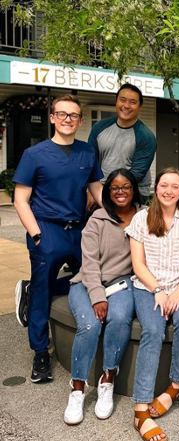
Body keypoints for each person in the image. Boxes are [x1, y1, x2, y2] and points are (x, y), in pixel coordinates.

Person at [13, 94, 103, 383]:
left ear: (80, 120)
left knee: (94, 279)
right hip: (47, 230)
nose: (67, 119)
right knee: (43, 293)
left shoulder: (87, 152)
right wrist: (36, 234)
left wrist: (120, 217)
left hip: (79, 230)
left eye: (73, 115)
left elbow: (97, 189)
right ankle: (40, 351)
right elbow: (20, 200)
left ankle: (31, 290)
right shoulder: (34, 155)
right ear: (52, 118)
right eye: (62, 114)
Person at [125, 167, 179, 441]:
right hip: (149, 286)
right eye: (164, 185)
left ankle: (175, 386)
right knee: (152, 330)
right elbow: (138, 265)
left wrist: (178, 292)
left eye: (174, 186)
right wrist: (158, 290)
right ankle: (140, 411)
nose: (168, 190)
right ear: (156, 188)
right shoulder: (141, 219)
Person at [64, 169, 142, 425]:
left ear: (134, 189)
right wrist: (97, 296)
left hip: (123, 284)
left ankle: (107, 379)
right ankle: (77, 388)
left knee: (119, 318)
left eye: (126, 186)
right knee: (90, 323)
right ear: (108, 192)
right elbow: (89, 264)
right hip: (87, 283)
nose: (121, 192)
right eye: (115, 187)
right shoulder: (96, 220)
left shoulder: (144, 216)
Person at [88, 83, 157, 204]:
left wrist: (107, 195)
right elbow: (90, 161)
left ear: (140, 106)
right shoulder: (100, 127)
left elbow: (136, 175)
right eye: (122, 100)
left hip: (133, 190)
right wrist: (91, 191)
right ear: (116, 102)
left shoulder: (146, 136)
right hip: (101, 187)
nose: (126, 106)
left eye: (133, 102)